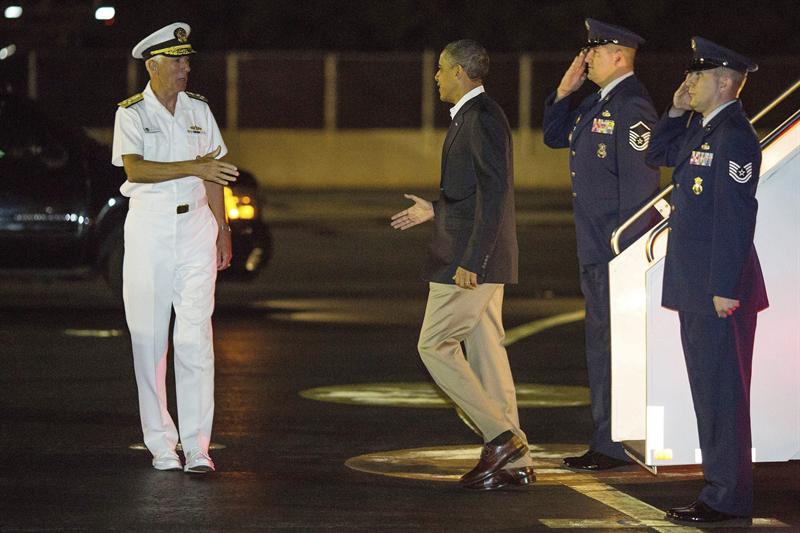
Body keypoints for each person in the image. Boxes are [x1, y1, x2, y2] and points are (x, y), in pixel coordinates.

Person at [390, 39, 535, 491]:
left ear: (459, 73)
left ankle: (501, 438)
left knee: (433, 346)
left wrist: (473, 259)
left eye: (440, 69)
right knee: (488, 357)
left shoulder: (481, 118)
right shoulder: (476, 117)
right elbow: (473, 194)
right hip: (481, 258)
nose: (435, 77)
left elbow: (495, 195)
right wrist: (436, 209)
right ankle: (516, 461)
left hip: (469, 263)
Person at [646, 37, 767, 525]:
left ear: (724, 82)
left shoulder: (734, 136)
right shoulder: (703, 129)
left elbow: (738, 216)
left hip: (719, 292)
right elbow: (657, 152)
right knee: (709, 393)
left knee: (723, 397)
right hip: (698, 288)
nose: (687, 82)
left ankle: (727, 496)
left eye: (697, 76)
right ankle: (721, 489)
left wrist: (724, 288)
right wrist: (674, 112)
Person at [111, 22, 239, 473]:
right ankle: (162, 444)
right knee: (149, 340)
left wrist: (222, 230)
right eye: (178, 61)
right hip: (149, 231)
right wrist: (192, 164)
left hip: (196, 230)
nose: (186, 68)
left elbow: (214, 173)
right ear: (153, 65)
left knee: (196, 339)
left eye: (187, 60)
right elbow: (137, 170)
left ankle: (198, 446)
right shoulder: (131, 113)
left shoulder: (198, 110)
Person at [542, 18, 659, 471]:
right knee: (601, 347)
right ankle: (607, 438)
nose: (585, 58)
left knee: (612, 348)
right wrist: (565, 91)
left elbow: (639, 191)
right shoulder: (597, 101)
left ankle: (612, 443)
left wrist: (626, 255)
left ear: (618, 56)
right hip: (596, 249)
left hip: (614, 253)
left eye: (594, 51)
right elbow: (554, 136)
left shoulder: (632, 107)